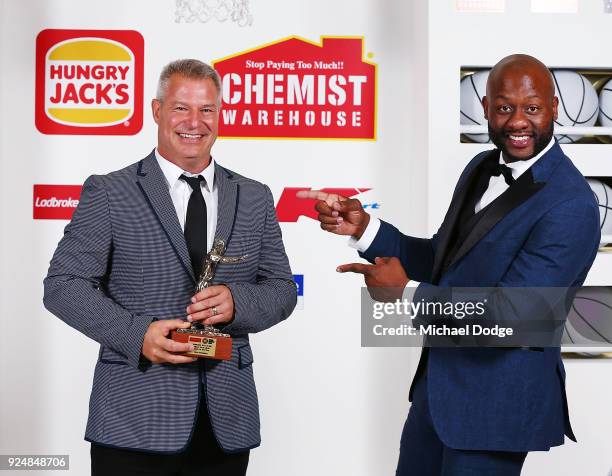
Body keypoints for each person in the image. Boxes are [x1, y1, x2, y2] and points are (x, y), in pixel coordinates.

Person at [298, 54, 600, 475]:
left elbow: (516, 316)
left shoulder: (572, 204)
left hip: (496, 408)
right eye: (504, 107)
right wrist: (366, 229)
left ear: (553, 107)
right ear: (486, 109)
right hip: (436, 396)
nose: (517, 121)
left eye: (532, 108)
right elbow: (444, 258)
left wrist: (404, 294)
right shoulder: (479, 167)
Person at [43, 59, 297, 476]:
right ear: (157, 111)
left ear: (221, 115)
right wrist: (136, 333)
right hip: (132, 420)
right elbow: (63, 284)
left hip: (226, 423)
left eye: (207, 110)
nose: (194, 122)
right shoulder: (109, 191)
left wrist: (237, 301)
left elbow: (282, 289)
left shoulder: (254, 196)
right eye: (181, 108)